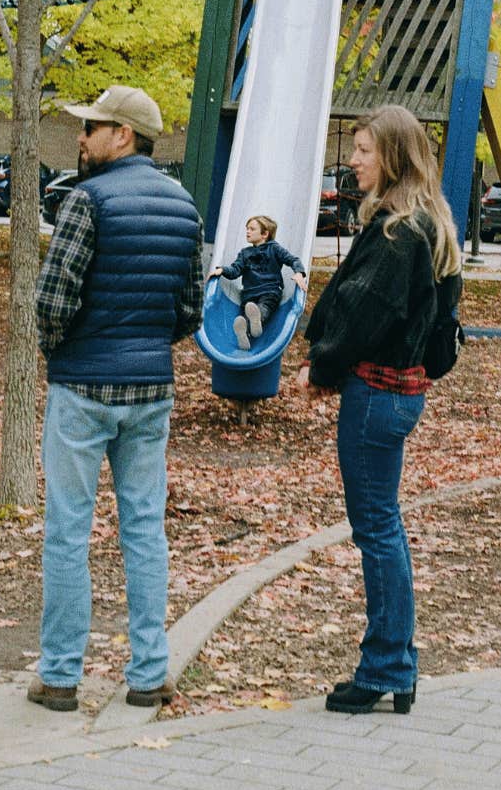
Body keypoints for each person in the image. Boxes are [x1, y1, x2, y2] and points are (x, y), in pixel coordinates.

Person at [29, 85, 204, 713]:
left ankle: (59, 677)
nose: (81, 137)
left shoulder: (87, 201)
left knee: (69, 532)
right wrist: (150, 344)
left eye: (92, 126)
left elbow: (52, 302)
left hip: (82, 387)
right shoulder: (185, 207)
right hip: (151, 390)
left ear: (122, 135)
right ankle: (149, 673)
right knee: (144, 529)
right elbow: (191, 310)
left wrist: (61, 351)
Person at [297, 105, 461, 715]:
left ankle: (386, 665)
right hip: (400, 393)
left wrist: (323, 367)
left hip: (376, 395)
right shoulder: (431, 222)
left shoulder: (398, 231)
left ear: (392, 155)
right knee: (383, 526)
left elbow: (364, 310)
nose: (355, 159)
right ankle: (396, 662)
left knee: (377, 530)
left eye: (364, 149)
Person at [209, 214, 307, 350]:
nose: (247, 232)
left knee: (262, 308)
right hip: (249, 295)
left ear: (265, 234)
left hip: (270, 291)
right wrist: (222, 270)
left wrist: (299, 273)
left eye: (252, 229)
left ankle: (255, 322)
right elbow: (235, 271)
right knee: (247, 314)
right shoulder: (244, 253)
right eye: (247, 229)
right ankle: (245, 335)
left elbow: (293, 260)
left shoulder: (274, 248)